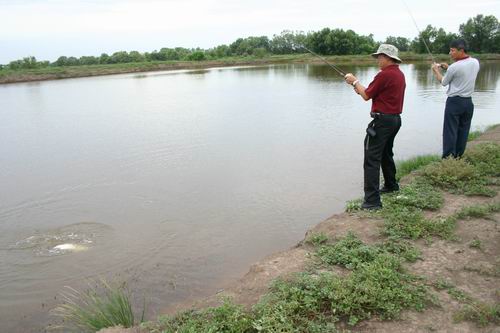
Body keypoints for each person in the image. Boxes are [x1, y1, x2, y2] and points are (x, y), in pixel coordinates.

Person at [344, 44, 406, 210]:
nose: (377, 60)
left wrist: (354, 81)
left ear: (386, 57)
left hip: (382, 122)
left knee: (371, 159)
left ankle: (372, 201)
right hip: (395, 120)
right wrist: (356, 85)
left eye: (379, 57)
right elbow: (369, 92)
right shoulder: (399, 74)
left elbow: (366, 95)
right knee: (386, 153)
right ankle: (391, 185)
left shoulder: (384, 75)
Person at [431, 39, 480, 159]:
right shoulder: (475, 62)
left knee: (450, 131)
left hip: (454, 103)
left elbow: (443, 82)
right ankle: (458, 156)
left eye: (452, 50)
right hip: (468, 103)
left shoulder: (455, 67)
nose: (450, 53)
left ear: (461, 50)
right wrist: (448, 68)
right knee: (463, 130)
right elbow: (462, 74)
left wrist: (436, 70)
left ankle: (448, 158)